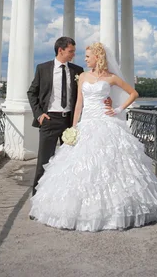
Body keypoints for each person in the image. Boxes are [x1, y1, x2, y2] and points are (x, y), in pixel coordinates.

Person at [29, 42, 157, 231]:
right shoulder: (82, 76)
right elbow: (79, 104)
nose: (85, 58)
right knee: (78, 166)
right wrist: (74, 128)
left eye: (88, 56)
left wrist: (117, 109)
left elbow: (133, 93)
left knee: (112, 165)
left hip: (106, 122)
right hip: (86, 123)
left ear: (98, 57)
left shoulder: (111, 78)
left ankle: (113, 210)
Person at [28, 37, 111, 195]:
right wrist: (39, 115)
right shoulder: (43, 68)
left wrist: (106, 98)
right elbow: (32, 93)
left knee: (70, 163)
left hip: (70, 122)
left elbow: (88, 92)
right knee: (44, 163)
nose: (74, 54)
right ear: (61, 50)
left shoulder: (77, 70)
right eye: (71, 51)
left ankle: (65, 198)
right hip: (49, 120)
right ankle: (37, 200)